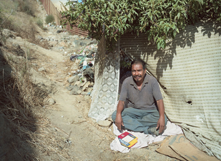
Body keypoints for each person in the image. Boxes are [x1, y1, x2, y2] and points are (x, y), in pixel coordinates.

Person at [112, 59, 167, 135]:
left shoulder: (152, 81)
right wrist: (118, 115)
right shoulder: (127, 82)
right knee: (115, 115)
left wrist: (161, 117)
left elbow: (159, 100)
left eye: (139, 70)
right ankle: (147, 130)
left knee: (164, 119)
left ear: (145, 71)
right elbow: (121, 101)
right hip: (133, 111)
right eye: (134, 71)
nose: (136, 73)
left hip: (150, 111)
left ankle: (134, 124)